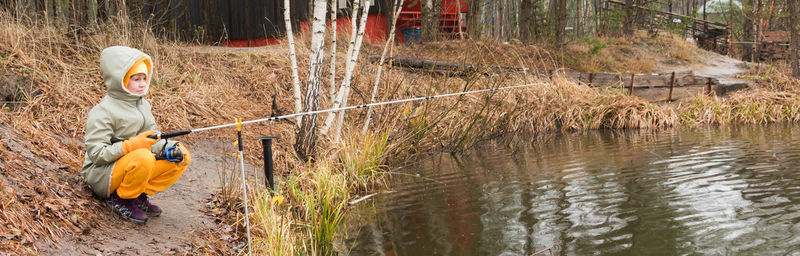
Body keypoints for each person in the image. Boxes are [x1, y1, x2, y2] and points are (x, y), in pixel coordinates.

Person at [82, 46, 191, 224]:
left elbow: (152, 138)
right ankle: (121, 199)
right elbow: (97, 154)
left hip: (134, 162)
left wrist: (168, 147)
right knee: (143, 157)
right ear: (120, 80)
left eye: (144, 78)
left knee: (181, 154)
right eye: (135, 79)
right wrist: (131, 146)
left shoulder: (143, 105)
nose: (142, 84)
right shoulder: (102, 111)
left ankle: (137, 195)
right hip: (102, 174)